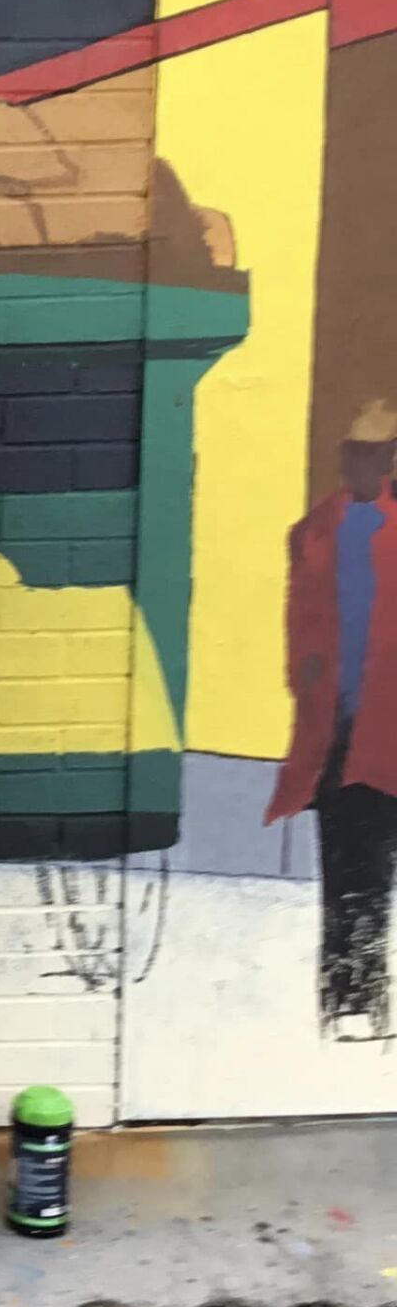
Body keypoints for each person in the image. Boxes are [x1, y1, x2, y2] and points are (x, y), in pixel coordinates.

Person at [265, 399, 397, 1040]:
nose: (361, 461)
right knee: (350, 869)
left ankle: (364, 999)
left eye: (373, 451)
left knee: (371, 864)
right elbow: (299, 624)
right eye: (353, 450)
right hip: (340, 732)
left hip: (390, 722)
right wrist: (307, 684)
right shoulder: (314, 529)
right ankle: (350, 1000)